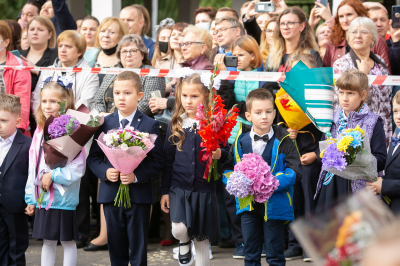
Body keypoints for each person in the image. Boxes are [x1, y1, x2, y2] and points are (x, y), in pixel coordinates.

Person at [87, 71, 164, 266]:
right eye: (117, 92)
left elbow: (157, 161)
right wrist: (105, 172)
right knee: (115, 243)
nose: (121, 97)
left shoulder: (150, 124)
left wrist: (136, 176)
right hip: (111, 193)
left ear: (140, 96)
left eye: (127, 93)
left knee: (138, 245)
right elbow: (94, 158)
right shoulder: (103, 123)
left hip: (139, 195)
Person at [222, 88, 301, 266]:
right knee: (250, 253)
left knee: (275, 254)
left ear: (274, 114)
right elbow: (228, 168)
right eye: (258, 112)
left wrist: (272, 182)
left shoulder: (285, 140)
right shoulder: (240, 141)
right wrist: (235, 181)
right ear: (248, 116)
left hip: (275, 205)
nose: (263, 116)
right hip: (248, 206)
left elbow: (295, 171)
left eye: (268, 112)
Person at [161, 73, 227, 266]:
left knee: (201, 239)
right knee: (179, 229)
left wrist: (220, 154)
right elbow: (168, 160)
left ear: (205, 97)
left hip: (204, 189)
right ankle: (183, 242)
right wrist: (165, 191)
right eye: (184, 96)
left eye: (194, 96)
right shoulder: (176, 123)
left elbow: (227, 152)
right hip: (179, 188)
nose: (188, 101)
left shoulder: (214, 123)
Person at [25, 79, 86, 266]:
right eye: (44, 101)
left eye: (53, 101)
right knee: (47, 241)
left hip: (63, 197)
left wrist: (53, 175)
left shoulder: (72, 130)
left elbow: (78, 167)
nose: (47, 106)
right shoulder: (39, 130)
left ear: (64, 103)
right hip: (43, 198)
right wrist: (30, 198)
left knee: (67, 240)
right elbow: (32, 164)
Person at [216, 35, 264, 259]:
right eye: (232, 55)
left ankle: (258, 239)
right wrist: (225, 76)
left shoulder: (265, 76)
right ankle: (240, 240)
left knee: (258, 187)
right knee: (233, 188)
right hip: (234, 136)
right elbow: (226, 103)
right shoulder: (229, 75)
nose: (235, 59)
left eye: (241, 55)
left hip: (257, 136)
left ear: (253, 56)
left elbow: (262, 102)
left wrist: (242, 107)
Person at [314, 69, 387, 216]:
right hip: (331, 184)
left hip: (357, 188)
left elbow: (381, 159)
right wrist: (322, 155)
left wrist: (354, 159)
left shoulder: (373, 122)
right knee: (329, 230)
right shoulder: (331, 119)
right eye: (341, 92)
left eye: (350, 93)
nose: (344, 98)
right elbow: (322, 149)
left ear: (363, 95)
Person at [282, 54, 323, 262]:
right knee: (293, 202)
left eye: (306, 71)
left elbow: (327, 130)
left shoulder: (321, 96)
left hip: (312, 158)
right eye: (296, 71)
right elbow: (277, 121)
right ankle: (294, 243)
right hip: (291, 159)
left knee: (311, 202)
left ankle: (311, 245)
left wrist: (317, 153)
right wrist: (287, 130)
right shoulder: (283, 95)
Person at [333, 17, 392, 146]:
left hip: (382, 130)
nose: (358, 35)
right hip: (354, 134)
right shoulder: (341, 64)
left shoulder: (380, 63)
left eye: (364, 32)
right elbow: (340, 100)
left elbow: (388, 98)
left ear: (373, 38)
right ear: (348, 37)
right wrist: (363, 75)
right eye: (353, 32)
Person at [91, 34, 165, 118]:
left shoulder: (152, 73)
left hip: (136, 125)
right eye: (124, 51)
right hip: (106, 121)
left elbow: (147, 104)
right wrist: (102, 114)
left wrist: (119, 118)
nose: (128, 55)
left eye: (133, 51)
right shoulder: (113, 71)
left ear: (142, 54)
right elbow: (96, 101)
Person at [31, 30, 99, 113]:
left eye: (68, 46)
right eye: (60, 46)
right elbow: (37, 99)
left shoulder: (90, 74)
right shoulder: (48, 71)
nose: (62, 50)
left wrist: (63, 122)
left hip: (73, 123)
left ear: (79, 52)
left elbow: (85, 103)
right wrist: (42, 120)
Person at [0, 94, 31, 266]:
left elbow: (32, 175)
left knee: (17, 248)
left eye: (3, 120)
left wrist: (30, 200)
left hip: (16, 205)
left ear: (17, 121)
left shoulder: (27, 144)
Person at [264, 6, 323, 95]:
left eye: (291, 23)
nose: (285, 27)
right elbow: (265, 86)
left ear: (302, 26)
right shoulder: (272, 55)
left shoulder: (312, 54)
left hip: (300, 106)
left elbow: (319, 85)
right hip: (274, 105)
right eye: (282, 23)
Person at [323, 0, 391, 73]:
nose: (345, 20)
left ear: (360, 15)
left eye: (349, 14)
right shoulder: (332, 43)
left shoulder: (376, 39)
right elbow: (326, 75)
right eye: (341, 16)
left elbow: (386, 76)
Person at [19, 16, 57, 136]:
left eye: (40, 29)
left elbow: (61, 83)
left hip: (45, 113)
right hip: (19, 113)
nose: (35, 32)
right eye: (32, 29)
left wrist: (39, 71)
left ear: (50, 34)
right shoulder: (18, 55)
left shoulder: (57, 56)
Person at [367, 90, 400, 214]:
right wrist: (378, 182)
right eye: (395, 111)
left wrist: (385, 186)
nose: (398, 116)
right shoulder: (396, 137)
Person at [149, 22, 189, 115]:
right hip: (160, 112)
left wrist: (167, 87)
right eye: (173, 35)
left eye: (181, 35)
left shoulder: (192, 63)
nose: (175, 37)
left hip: (182, 112)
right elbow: (153, 88)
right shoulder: (160, 62)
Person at [0, 21, 31, 136]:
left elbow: (22, 100)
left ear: (6, 42)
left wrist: (18, 129)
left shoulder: (18, 65)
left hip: (11, 129)